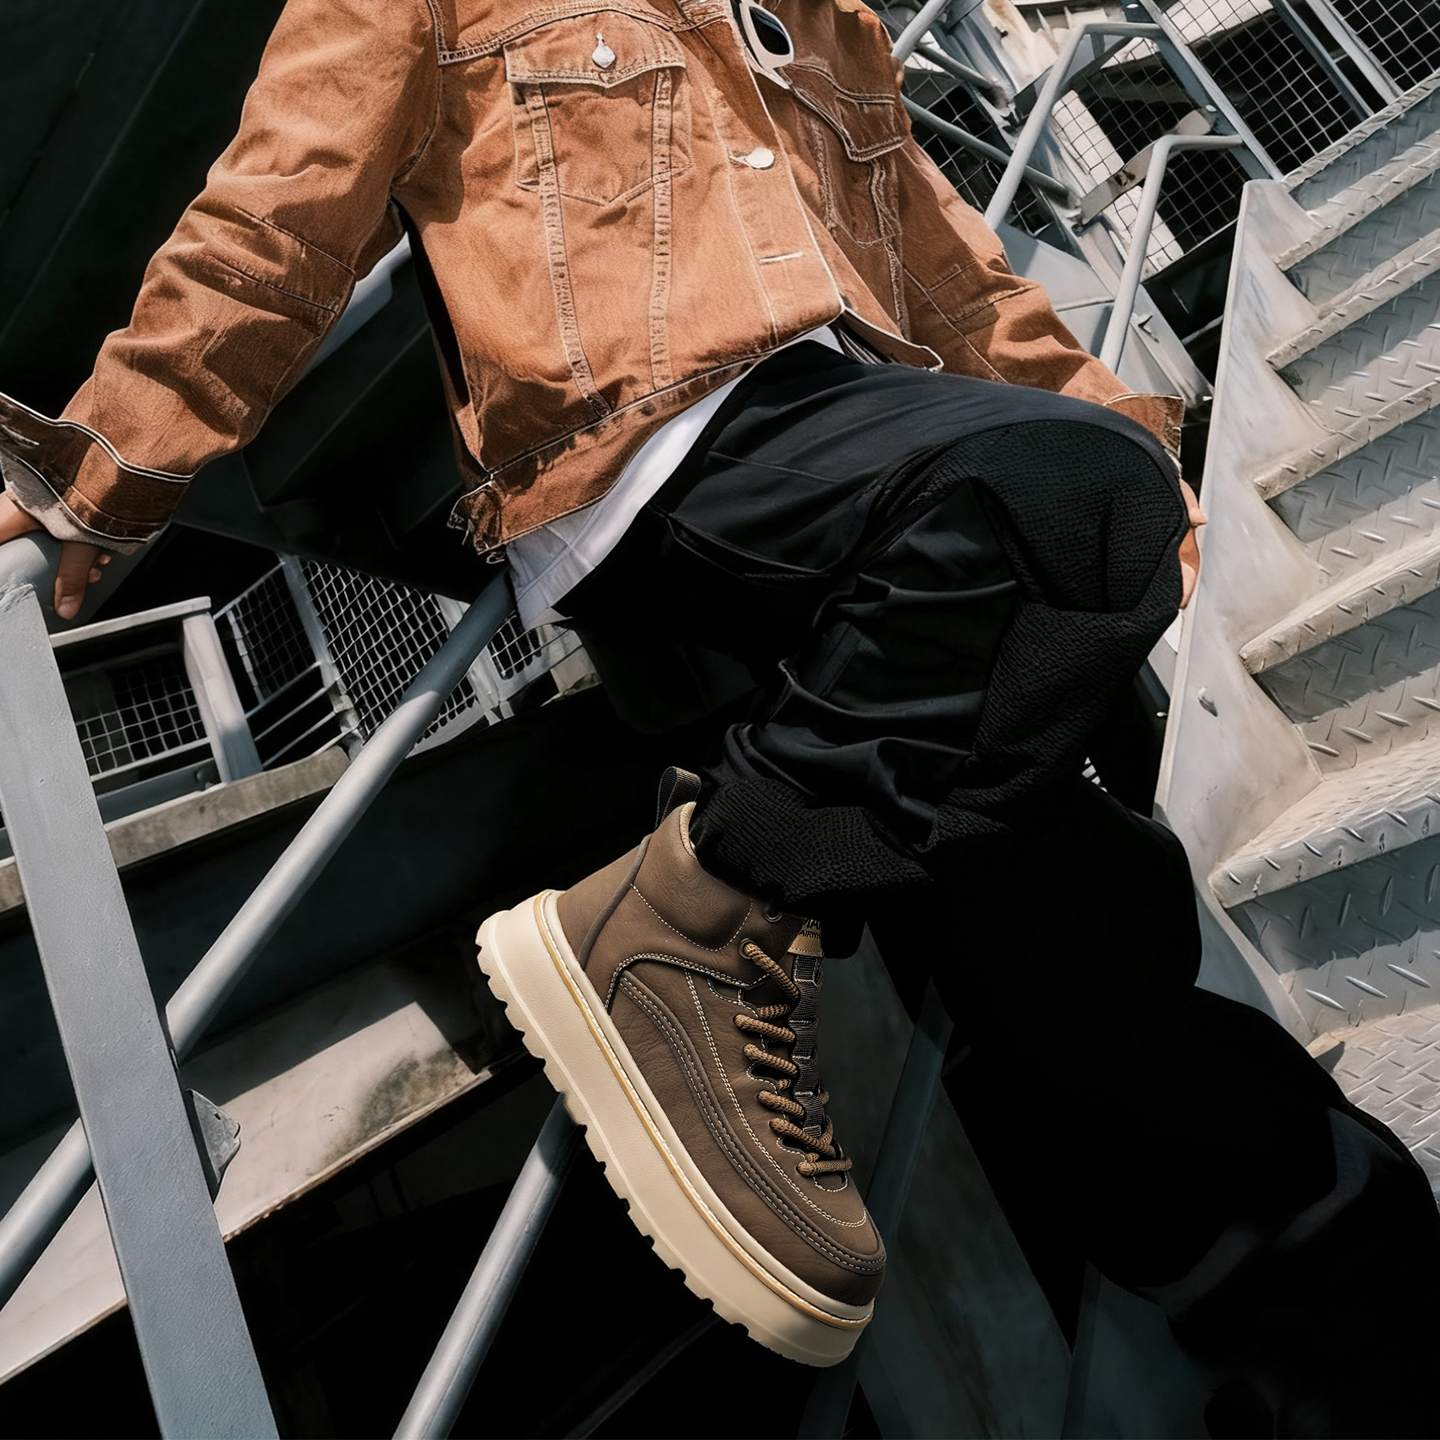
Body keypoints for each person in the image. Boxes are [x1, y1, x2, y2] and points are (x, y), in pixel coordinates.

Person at [0, 0, 1435, 1429]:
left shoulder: (827, 21)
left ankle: (1304, 1258)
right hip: (647, 463)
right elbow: (279, 215)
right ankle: (691, 915)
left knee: (1067, 897)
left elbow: (962, 284)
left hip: (861, 461)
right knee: (1058, 495)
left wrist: (1125, 444)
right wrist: (98, 475)